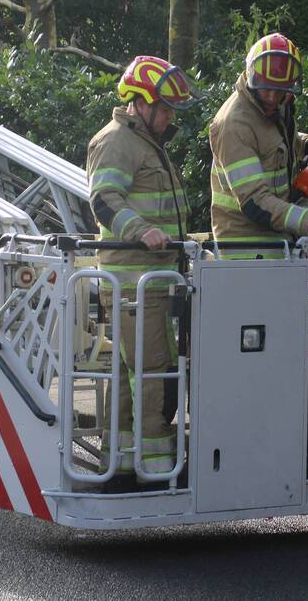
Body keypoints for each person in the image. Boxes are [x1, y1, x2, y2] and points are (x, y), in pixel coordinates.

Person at [86, 55, 200, 489]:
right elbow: (103, 199)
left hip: (149, 282)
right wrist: (142, 231)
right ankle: (155, 469)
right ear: (139, 103)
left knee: (133, 374)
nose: (170, 116)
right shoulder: (117, 141)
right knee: (155, 372)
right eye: (165, 108)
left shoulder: (146, 144)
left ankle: (124, 461)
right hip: (136, 283)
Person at [209, 33, 308, 258]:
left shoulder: (271, 108)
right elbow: (255, 203)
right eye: (266, 88)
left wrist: (307, 145)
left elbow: (272, 139)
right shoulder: (235, 124)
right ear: (252, 77)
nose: (271, 97)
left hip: (277, 244)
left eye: (279, 90)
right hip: (246, 252)